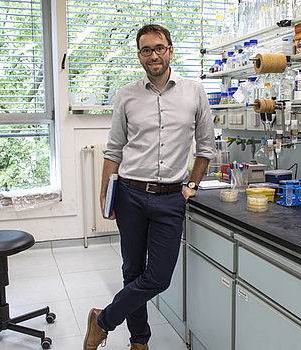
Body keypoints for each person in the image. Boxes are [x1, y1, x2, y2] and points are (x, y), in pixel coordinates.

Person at [84, 24, 216, 350]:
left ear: (170, 50)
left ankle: (102, 320)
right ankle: (139, 342)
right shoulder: (126, 95)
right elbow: (114, 150)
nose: (153, 55)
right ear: (139, 55)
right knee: (132, 271)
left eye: (159, 48)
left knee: (157, 278)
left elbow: (206, 148)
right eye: (146, 50)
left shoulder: (194, 92)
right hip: (130, 194)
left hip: (171, 198)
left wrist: (192, 184)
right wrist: (106, 193)